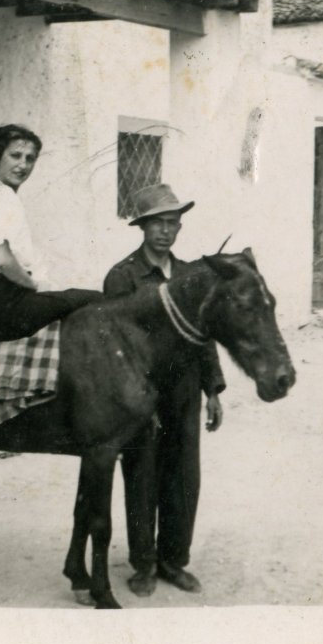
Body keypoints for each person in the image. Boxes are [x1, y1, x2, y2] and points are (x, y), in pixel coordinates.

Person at [103, 183, 226, 596]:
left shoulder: (191, 275)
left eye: (172, 223)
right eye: (157, 223)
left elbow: (203, 335)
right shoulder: (122, 276)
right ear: (142, 227)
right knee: (142, 476)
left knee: (184, 478)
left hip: (185, 392)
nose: (165, 231)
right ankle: (143, 565)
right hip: (141, 395)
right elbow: (115, 345)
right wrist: (133, 399)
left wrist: (213, 390)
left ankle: (174, 561)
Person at [0, 124, 102, 342]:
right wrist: (35, 286)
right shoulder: (3, 198)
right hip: (0, 311)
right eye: (15, 155)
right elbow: (3, 260)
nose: (23, 165)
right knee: (95, 299)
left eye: (30, 158)